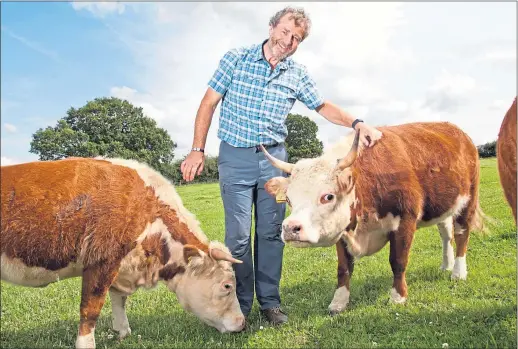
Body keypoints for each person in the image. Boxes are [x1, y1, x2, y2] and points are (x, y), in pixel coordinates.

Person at [180, 6, 383, 326]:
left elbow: (323, 106)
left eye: (297, 38)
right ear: (272, 27)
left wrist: (357, 123)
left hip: (274, 163)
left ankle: (270, 303)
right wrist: (196, 150)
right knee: (237, 237)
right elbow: (208, 103)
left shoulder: (296, 74)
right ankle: (241, 303)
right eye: (285, 32)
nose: (288, 41)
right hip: (235, 158)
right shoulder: (236, 58)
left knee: (273, 235)